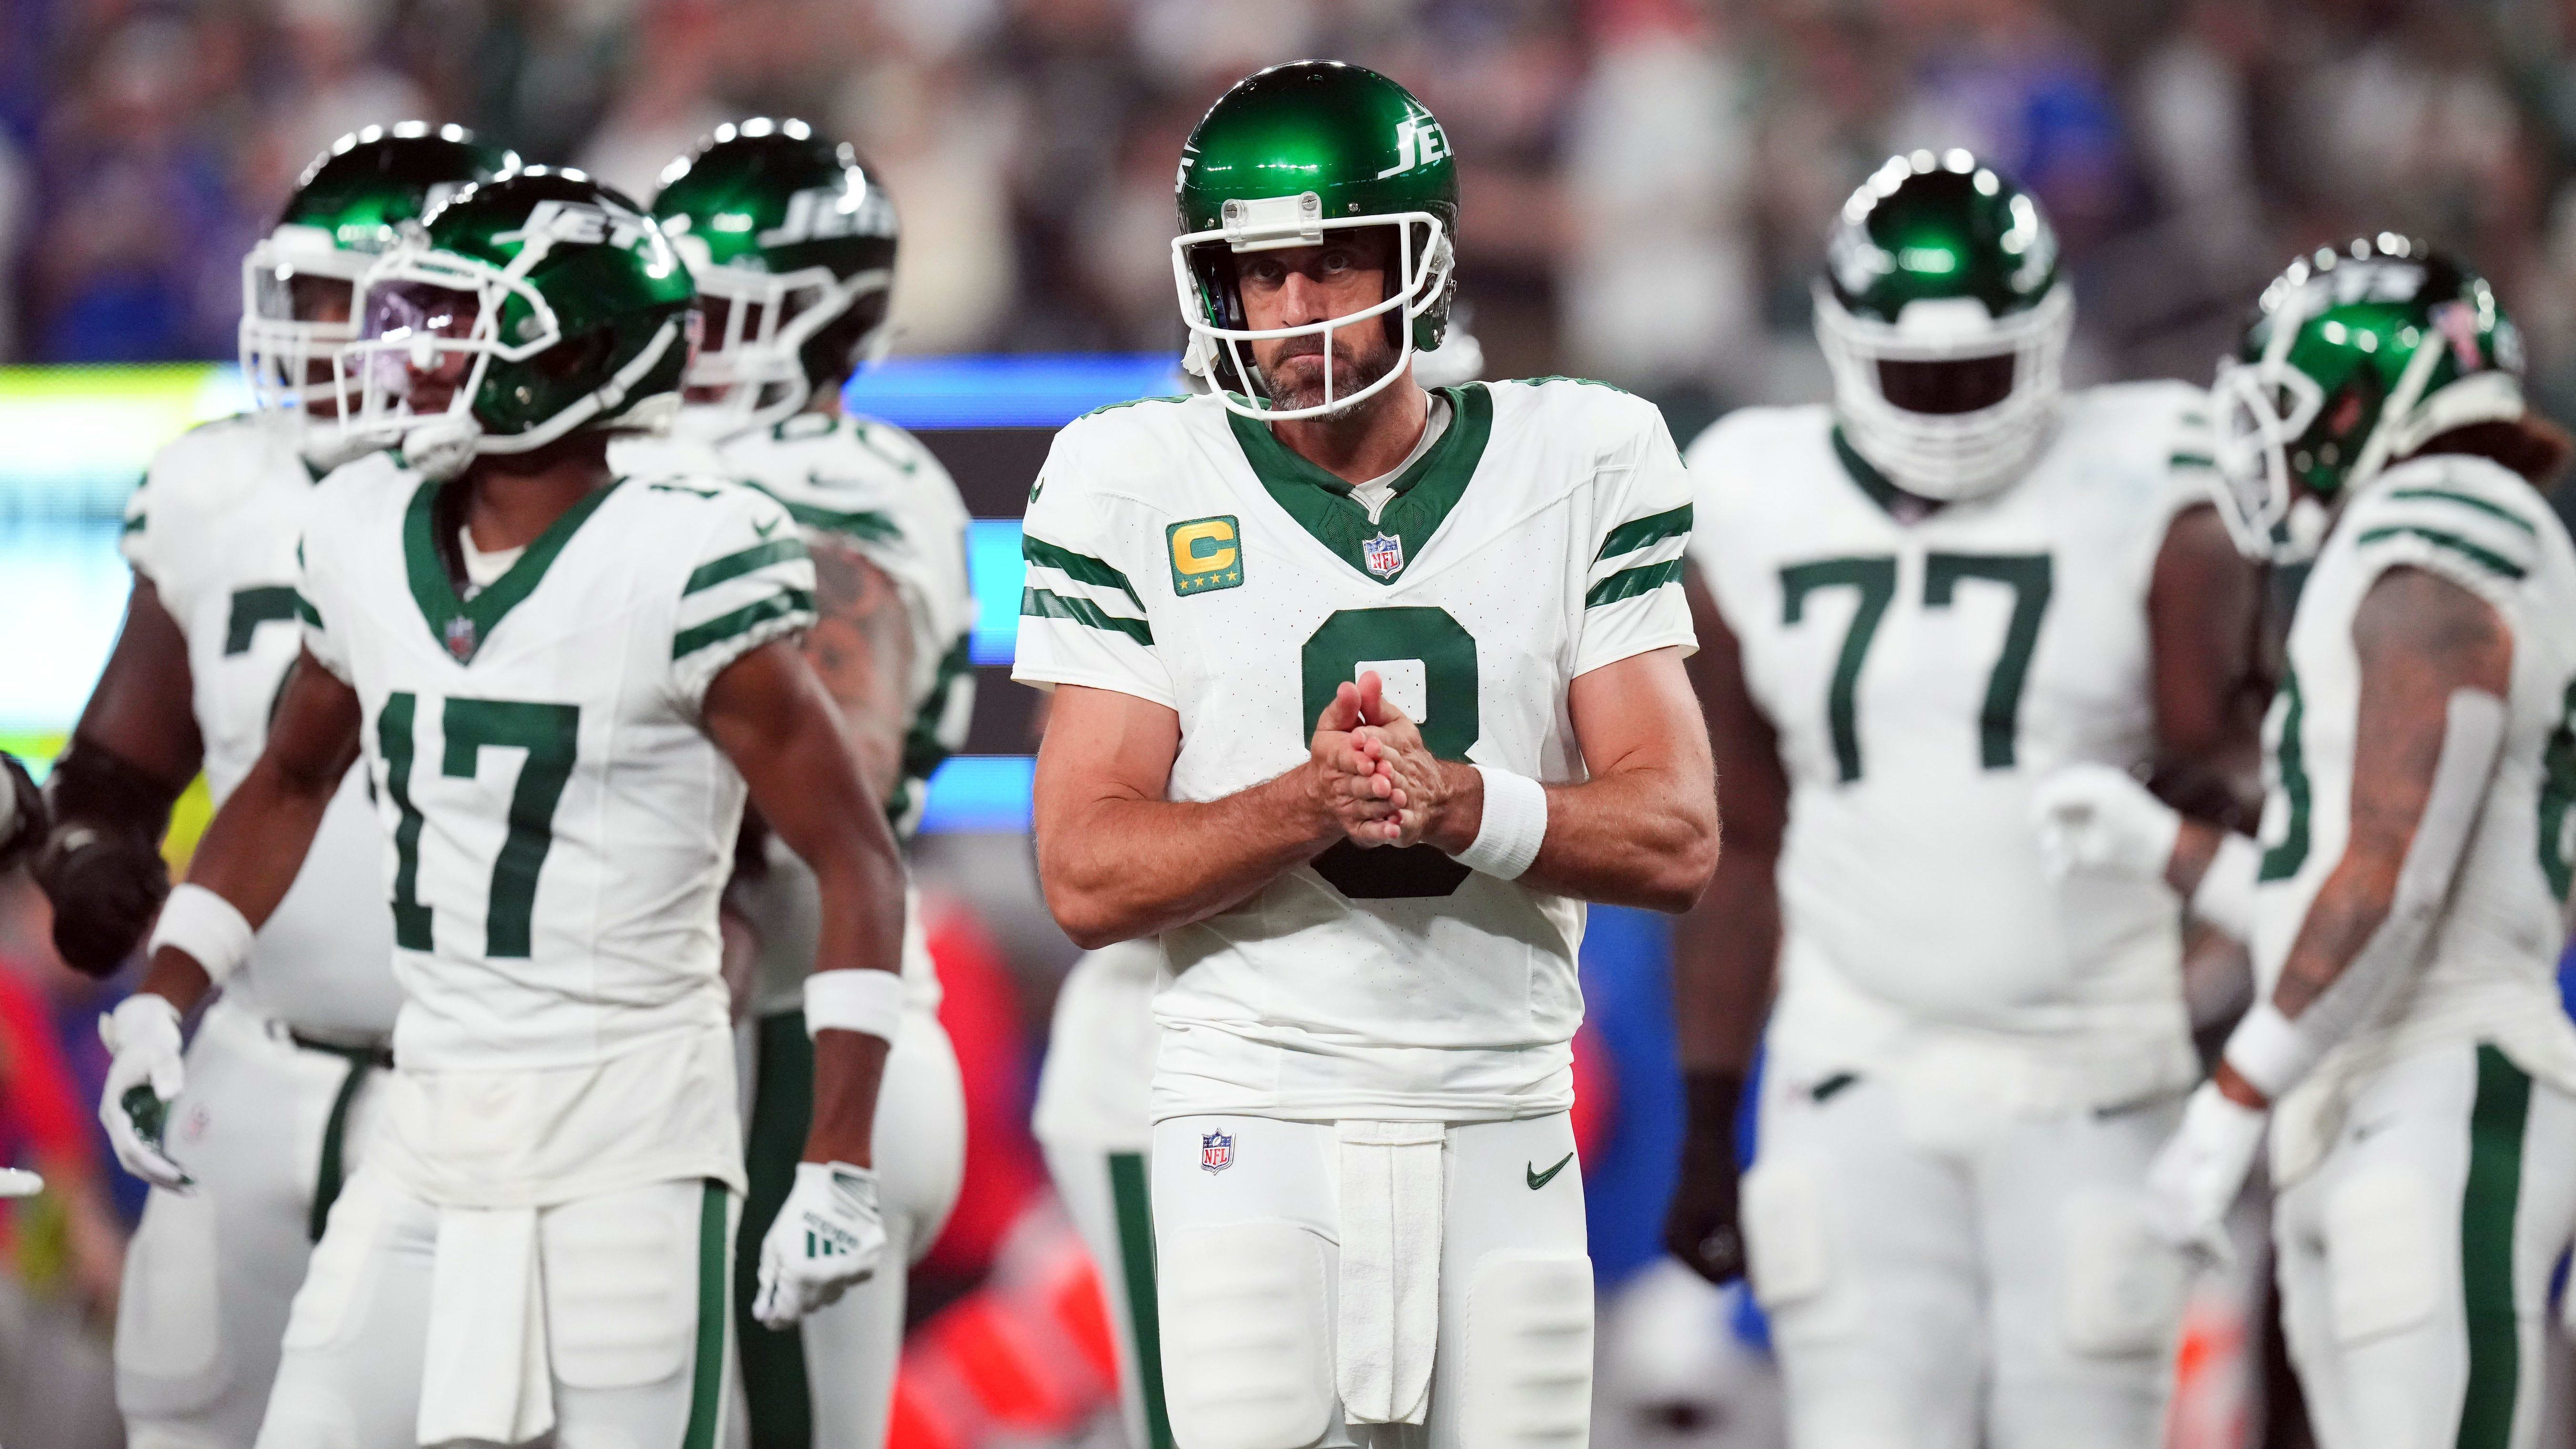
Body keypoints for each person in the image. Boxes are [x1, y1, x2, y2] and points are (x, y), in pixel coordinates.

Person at [91, 167, 910, 1448]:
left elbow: (856, 861)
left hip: (628, 1151)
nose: (404, 350)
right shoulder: (361, 526)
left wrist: (840, 1155)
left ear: (565, 351)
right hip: (426, 1133)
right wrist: (164, 996)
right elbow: (291, 777)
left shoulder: (691, 556)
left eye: (449, 318)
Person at [1014, 60, 1719, 1449]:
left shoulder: (1581, 455)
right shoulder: (1129, 476)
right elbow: (1085, 874)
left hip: (1498, 1100)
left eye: (1329, 268)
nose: (1290, 314)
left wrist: (1464, 804)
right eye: (1256, 276)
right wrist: (1304, 802)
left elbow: (1676, 836)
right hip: (1250, 1103)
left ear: (1425, 258)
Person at [1669, 149, 2266, 1449]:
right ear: (1840, 346)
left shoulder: (2154, 473)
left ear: (2049, 340)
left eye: (1976, 374)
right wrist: (1707, 1112)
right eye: (1916, 379)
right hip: (1852, 1069)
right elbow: (1743, 837)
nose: (1947, 411)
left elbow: (2228, 779)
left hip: (2095, 1066)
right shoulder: (1745, 493)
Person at [2033, 238, 2576, 1449]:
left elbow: (2391, 881)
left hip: (2443, 1081)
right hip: (2367, 1091)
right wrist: (2154, 842)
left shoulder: (2445, 520)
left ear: (2381, 389)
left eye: (2288, 405)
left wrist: (2232, 1096)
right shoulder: (2393, 539)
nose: (2268, 444)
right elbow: (2321, 888)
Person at [31, 122, 514, 1449]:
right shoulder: (213, 485)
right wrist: (91, 851)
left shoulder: (556, 500)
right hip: (249, 1060)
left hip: (485, 1084)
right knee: (185, 1417)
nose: (314, 333)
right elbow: (125, 763)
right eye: (302, 298)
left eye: (350, 302)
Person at [1027, 319, 1489, 1449]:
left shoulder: (1493, 518)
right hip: (1184, 1053)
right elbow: (1091, 847)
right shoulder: (1156, 509)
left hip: (1405, 1051)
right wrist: (1306, 801)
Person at [645, 118, 973, 1449]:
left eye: (714, 312)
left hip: (805, 1041)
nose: (676, 342)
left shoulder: (840, 484)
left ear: (821, 320)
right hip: (724, 1050)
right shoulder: (664, 471)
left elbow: (839, 766)